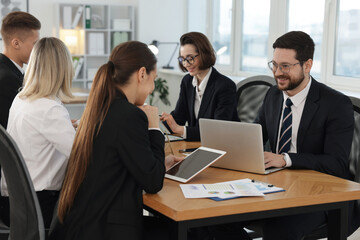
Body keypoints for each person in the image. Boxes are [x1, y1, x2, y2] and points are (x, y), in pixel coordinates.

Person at [49, 41, 182, 240]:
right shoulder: (128, 115)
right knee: (178, 231)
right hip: (102, 229)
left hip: (81, 226)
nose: (153, 88)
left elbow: (122, 162)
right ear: (142, 73)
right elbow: (153, 182)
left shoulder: (101, 107)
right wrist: (154, 126)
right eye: (154, 79)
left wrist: (160, 163)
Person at [253, 31, 360, 239]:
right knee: (213, 219)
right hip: (277, 185)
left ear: (307, 65)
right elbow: (255, 135)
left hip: (321, 193)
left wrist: (286, 159)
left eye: (285, 66)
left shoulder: (336, 104)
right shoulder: (273, 95)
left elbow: (336, 163)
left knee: (280, 226)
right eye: (274, 65)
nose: (277, 73)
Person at [0, 37, 75, 228]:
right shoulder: (49, 109)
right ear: (63, 69)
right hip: (40, 205)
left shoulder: (22, 98)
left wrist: (69, 127)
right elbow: (82, 155)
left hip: (15, 202)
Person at [160, 32, 239, 141]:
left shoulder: (225, 86)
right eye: (182, 59)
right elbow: (179, 117)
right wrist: (160, 122)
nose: (186, 64)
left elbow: (217, 131)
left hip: (221, 146)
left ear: (204, 55)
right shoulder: (187, 81)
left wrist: (181, 130)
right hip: (195, 145)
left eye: (190, 58)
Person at [0, 11, 41, 129]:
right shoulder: (7, 79)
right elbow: (15, 125)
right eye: (35, 43)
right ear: (16, 43)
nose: (38, 49)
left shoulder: (10, 71)